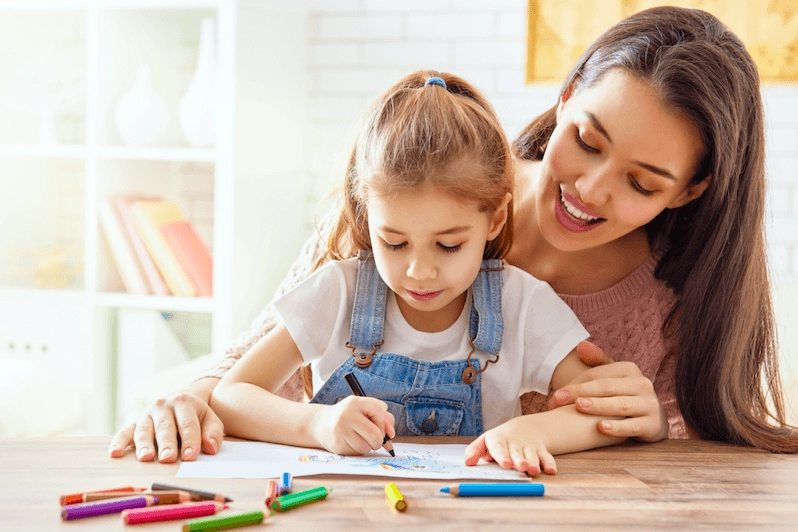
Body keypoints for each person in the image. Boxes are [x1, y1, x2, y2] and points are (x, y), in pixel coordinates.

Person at [109, 6, 798, 464]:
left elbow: (690, 464)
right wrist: (189, 400)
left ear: (690, 190)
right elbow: (247, 365)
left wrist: (649, 427)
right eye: (586, 140)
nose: (592, 189)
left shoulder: (670, 299)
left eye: (642, 184)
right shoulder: (424, 186)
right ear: (564, 99)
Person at [208, 71, 623, 474]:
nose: (419, 272)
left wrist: (535, 430)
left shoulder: (521, 304)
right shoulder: (339, 292)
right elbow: (231, 396)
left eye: (448, 245)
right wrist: (316, 423)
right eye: (393, 242)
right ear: (367, 216)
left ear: (495, 220)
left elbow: (603, 412)